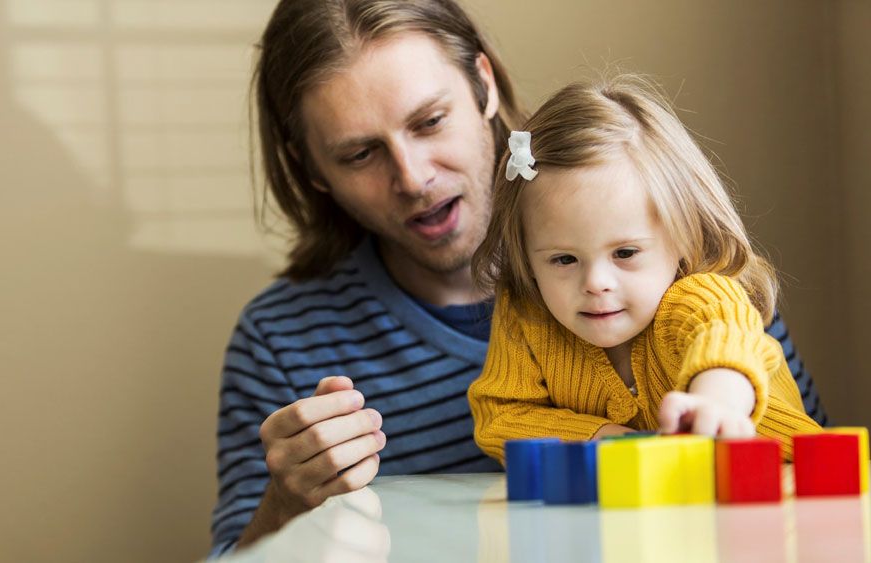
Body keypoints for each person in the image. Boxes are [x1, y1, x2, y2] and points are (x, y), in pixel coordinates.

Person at [211, 0, 826, 557]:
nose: (414, 176)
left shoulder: (693, 277)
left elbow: (810, 479)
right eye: (359, 153)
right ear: (312, 168)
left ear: (483, 84)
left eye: (429, 121)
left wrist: (719, 404)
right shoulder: (281, 339)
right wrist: (285, 506)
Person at [468, 74, 822, 465]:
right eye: (564, 259)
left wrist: (716, 403)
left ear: (684, 238)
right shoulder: (527, 317)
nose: (596, 283)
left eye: (625, 253)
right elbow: (500, 415)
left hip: (788, 480)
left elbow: (726, 342)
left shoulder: (697, 296)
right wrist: (599, 439)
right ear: (527, 258)